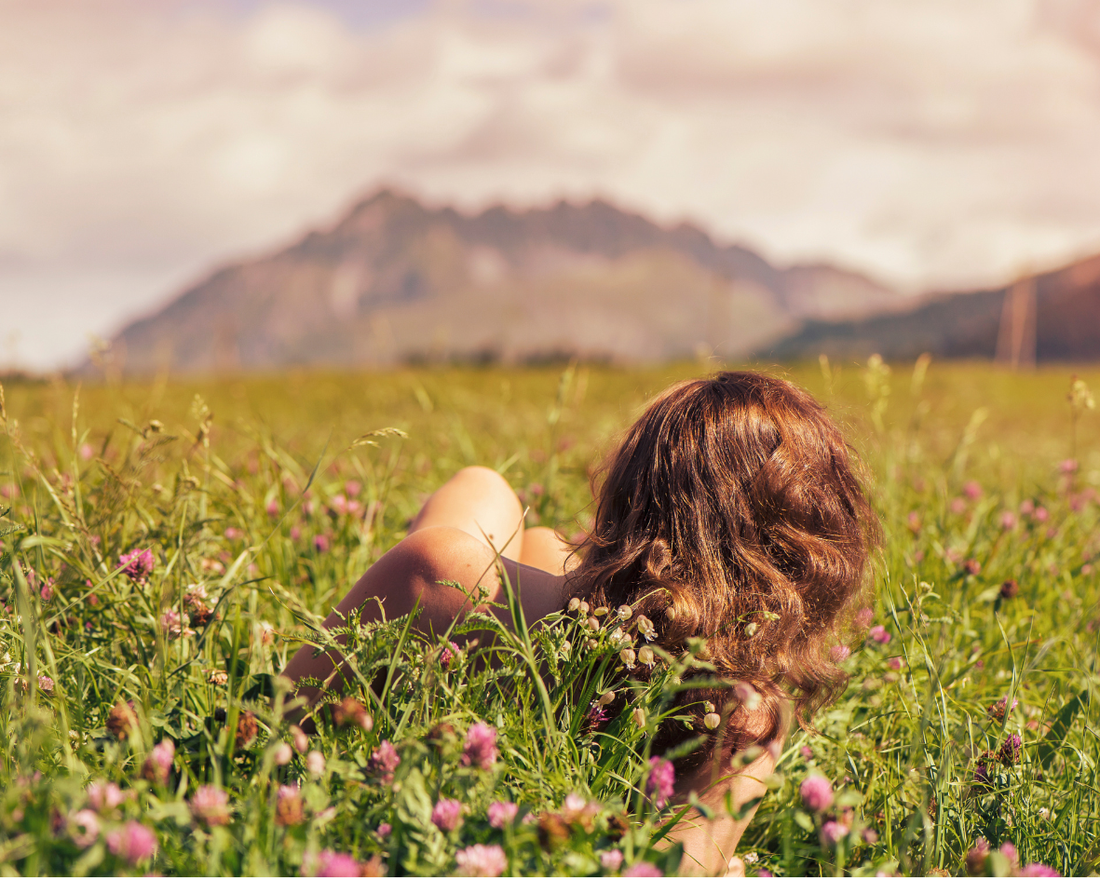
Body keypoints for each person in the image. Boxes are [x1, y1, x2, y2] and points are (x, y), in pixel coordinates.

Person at [282, 371, 879, 876]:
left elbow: (271, 720)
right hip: (648, 652)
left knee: (483, 487)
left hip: (493, 606)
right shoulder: (742, 718)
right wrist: (754, 754)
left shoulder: (433, 571)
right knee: (541, 541)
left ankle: (581, 568)